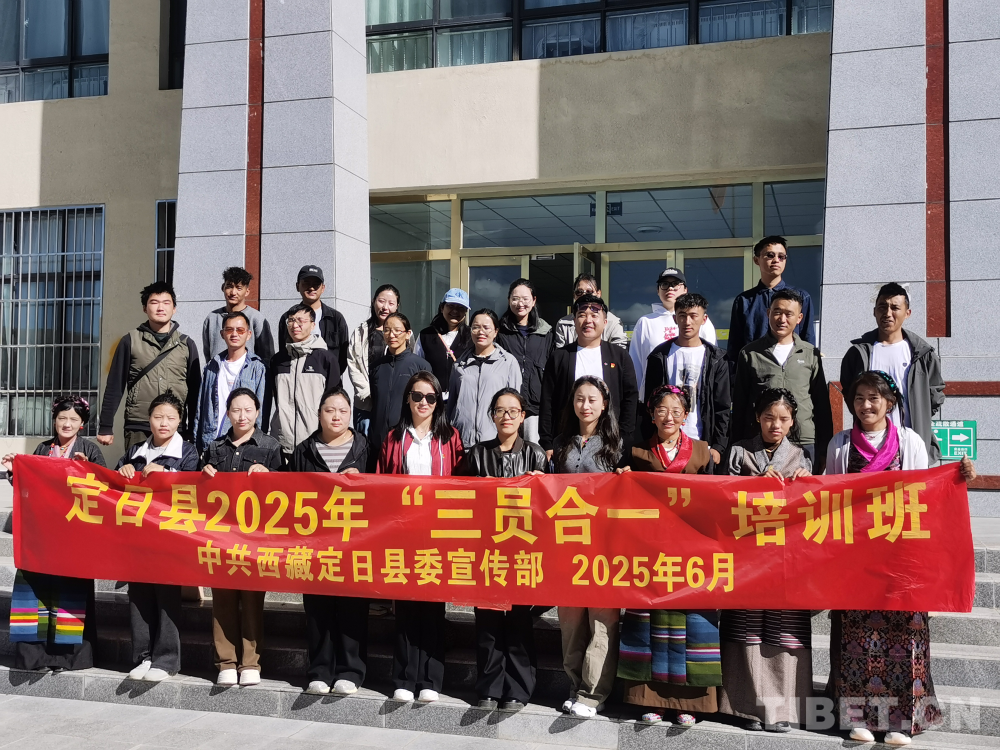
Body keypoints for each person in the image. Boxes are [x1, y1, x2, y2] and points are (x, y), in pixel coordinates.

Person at [826, 371, 976, 747]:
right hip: (856, 559)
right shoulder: (840, 444)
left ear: (889, 403)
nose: (865, 405)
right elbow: (828, 495)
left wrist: (957, 476)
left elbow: (926, 493)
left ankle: (901, 721)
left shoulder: (909, 441)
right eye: (859, 398)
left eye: (874, 398)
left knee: (903, 638)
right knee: (858, 639)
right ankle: (860, 718)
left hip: (901, 556)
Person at [621, 385, 719, 728]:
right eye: (661, 410)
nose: (669, 417)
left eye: (676, 411)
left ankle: (690, 703)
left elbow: (715, 500)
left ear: (686, 416)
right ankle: (651, 701)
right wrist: (623, 479)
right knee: (650, 625)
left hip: (692, 555)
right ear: (651, 414)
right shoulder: (636, 452)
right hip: (650, 552)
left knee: (693, 626)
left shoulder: (703, 452)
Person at [719, 389, 812, 733]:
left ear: (792, 422)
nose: (776, 425)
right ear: (758, 417)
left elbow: (811, 506)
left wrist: (807, 484)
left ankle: (782, 708)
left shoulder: (801, 457)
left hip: (785, 557)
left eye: (784, 419)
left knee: (782, 629)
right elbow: (721, 497)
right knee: (746, 626)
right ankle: (745, 707)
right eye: (769, 417)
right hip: (746, 554)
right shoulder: (739, 451)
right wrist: (753, 484)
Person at [377, 371, 464, 703]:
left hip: (439, 534)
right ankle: (404, 676)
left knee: (432, 609)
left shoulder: (450, 438)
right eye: (417, 396)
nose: (423, 402)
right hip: (403, 533)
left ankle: (430, 679)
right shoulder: (393, 437)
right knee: (406, 608)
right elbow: (382, 483)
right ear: (407, 399)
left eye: (430, 397)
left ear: (438, 401)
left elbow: (462, 483)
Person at [2, 395, 105, 672]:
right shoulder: (42, 448)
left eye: (73, 419)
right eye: (62, 418)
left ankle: (67, 658)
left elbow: (105, 492)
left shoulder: (90, 450)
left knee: (71, 596)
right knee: (36, 593)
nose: (67, 424)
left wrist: (89, 469)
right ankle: (35, 657)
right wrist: (14, 472)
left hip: (75, 538)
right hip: (42, 536)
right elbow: (29, 487)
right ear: (55, 420)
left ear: (82, 424)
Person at [461, 387, 546, 711]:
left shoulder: (536, 455)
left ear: (523, 417)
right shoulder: (477, 454)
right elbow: (458, 498)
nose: (506, 416)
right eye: (500, 410)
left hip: (523, 551)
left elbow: (551, 506)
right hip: (487, 550)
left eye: (513, 411)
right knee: (488, 622)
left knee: (519, 622)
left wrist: (540, 483)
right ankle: (489, 687)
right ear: (492, 416)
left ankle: (518, 689)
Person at [552, 376, 629, 718]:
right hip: (568, 543)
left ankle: (592, 695)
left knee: (602, 621)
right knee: (570, 622)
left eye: (592, 399)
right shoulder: (562, 444)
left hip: (604, 546)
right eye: (580, 399)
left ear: (604, 404)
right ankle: (574, 686)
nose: (585, 405)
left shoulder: (617, 444)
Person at [288, 387, 370, 697]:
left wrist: (362, 480)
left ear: (351, 415)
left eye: (343, 411)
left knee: (352, 608)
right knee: (317, 609)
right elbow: (290, 494)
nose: (336, 416)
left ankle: (350, 671)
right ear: (319, 414)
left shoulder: (366, 448)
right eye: (329, 410)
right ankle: (320, 670)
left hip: (354, 541)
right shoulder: (304, 451)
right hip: (315, 543)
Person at [199, 387, 282, 687]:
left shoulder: (270, 446)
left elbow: (286, 490)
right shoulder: (214, 447)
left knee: (252, 600)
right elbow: (197, 491)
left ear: (258, 412)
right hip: (221, 536)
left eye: (248, 410)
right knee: (222, 600)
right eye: (236, 410)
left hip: (255, 538)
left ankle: (250, 662)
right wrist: (204, 474)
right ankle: (226, 662)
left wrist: (270, 475)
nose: (242, 416)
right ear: (228, 413)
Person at [116, 391, 199, 683]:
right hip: (138, 536)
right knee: (139, 596)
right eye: (158, 417)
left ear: (179, 421)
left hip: (168, 536)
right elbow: (113, 487)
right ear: (148, 419)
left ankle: (166, 659)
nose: (164, 423)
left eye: (170, 418)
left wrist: (166, 473)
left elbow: (193, 486)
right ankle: (143, 656)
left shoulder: (188, 451)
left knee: (166, 597)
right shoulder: (135, 450)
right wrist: (123, 469)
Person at [840, 282, 945, 463]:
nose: (887, 313)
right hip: (870, 446)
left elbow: (935, 396)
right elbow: (850, 394)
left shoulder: (923, 354)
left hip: (911, 446)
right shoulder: (858, 353)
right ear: (875, 311)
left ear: (907, 313)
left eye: (895, 308)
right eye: (882, 307)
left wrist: (920, 414)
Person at [730, 288, 832, 471]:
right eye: (777, 312)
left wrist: (825, 447)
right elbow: (740, 404)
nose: (782, 319)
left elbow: (821, 405)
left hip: (803, 441)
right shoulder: (750, 353)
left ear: (799, 318)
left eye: (789, 314)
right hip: (760, 441)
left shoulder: (810, 354)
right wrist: (735, 443)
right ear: (768, 313)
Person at [97, 281, 201, 449]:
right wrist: (105, 426)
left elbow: (195, 391)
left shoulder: (187, 344)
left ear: (174, 308)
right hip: (139, 423)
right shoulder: (130, 341)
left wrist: (192, 429)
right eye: (154, 302)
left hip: (175, 424)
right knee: (136, 466)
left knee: (172, 467)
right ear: (145, 308)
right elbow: (115, 386)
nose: (160, 308)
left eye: (166, 303)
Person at [538, 295, 638, 465]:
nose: (588, 320)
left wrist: (625, 439)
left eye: (594, 315)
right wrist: (547, 442)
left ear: (605, 322)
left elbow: (630, 398)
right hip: (567, 442)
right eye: (582, 315)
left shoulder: (619, 356)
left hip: (610, 442)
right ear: (574, 321)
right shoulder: (559, 357)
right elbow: (547, 401)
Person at [641, 293, 730, 467]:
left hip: (702, 443)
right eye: (682, 315)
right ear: (675, 319)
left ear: (704, 319)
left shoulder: (717, 359)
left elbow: (722, 407)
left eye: (693, 316)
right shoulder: (659, 356)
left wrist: (719, 446)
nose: (687, 322)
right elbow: (650, 403)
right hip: (664, 443)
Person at [268, 303, 342, 461]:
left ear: (313, 325)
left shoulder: (326, 359)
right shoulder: (278, 360)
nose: (295, 325)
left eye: (301, 321)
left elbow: (334, 401)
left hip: (314, 443)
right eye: (291, 320)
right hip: (281, 442)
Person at [726, 236, 815, 363]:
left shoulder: (801, 297)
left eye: (781, 256)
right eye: (770, 255)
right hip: (754, 369)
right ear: (756, 260)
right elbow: (735, 346)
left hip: (790, 368)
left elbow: (808, 339)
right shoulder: (744, 300)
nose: (776, 260)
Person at [630, 268, 718, 396]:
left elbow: (712, 361)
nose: (670, 288)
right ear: (658, 290)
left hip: (696, 395)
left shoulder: (702, 321)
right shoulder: (645, 322)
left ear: (685, 289)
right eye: (665, 284)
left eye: (675, 284)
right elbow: (636, 365)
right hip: (657, 397)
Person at [447, 308, 522, 448]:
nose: (481, 332)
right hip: (462, 441)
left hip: (495, 442)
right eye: (476, 327)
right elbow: (452, 403)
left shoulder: (508, 362)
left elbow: (515, 405)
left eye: (486, 328)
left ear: (496, 332)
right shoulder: (459, 365)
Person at [194, 311, 267, 453]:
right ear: (222, 334)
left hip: (243, 446)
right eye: (229, 330)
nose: (234, 334)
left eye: (240, 330)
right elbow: (200, 409)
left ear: (249, 334)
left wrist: (257, 448)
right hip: (211, 442)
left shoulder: (258, 368)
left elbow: (261, 413)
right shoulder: (212, 366)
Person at [367, 312, 431, 471]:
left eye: (397, 330)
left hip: (407, 439)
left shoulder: (420, 366)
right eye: (387, 330)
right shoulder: (376, 366)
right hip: (377, 440)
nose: (391, 335)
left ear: (408, 334)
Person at [496, 279, 554, 444]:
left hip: (535, 409)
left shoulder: (546, 333)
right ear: (509, 300)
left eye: (525, 299)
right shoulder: (500, 332)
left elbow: (551, 372)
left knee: (532, 451)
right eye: (515, 299)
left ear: (533, 300)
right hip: (506, 407)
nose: (520, 303)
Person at [346, 284, 403, 436]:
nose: (385, 307)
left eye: (391, 303)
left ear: (397, 306)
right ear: (373, 301)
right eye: (381, 301)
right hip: (366, 404)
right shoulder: (361, 332)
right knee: (365, 444)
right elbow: (353, 364)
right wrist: (367, 392)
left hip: (393, 405)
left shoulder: (403, 333)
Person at [277, 265, 350, 378]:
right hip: (296, 380)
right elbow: (283, 351)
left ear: (323, 288)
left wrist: (332, 377)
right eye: (306, 283)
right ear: (297, 286)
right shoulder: (287, 318)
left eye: (316, 284)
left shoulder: (336, 318)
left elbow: (344, 355)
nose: (311, 288)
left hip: (328, 381)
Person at [201, 266, 275, 364]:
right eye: (229, 286)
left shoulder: (256, 318)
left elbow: (267, 355)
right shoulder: (212, 318)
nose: (233, 292)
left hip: (248, 372)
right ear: (223, 288)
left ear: (247, 291)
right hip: (218, 371)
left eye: (239, 288)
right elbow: (208, 353)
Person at [415, 288, 472, 398]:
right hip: (432, 399)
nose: (455, 311)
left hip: (462, 397)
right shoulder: (426, 335)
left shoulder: (471, 337)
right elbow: (417, 366)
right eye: (451, 306)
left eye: (461, 308)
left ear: (465, 311)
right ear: (442, 308)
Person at [553, 273, 627, 349]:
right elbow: (560, 353)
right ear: (574, 296)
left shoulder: (613, 323)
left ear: (598, 294)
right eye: (579, 292)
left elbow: (619, 353)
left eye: (589, 292)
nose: (584, 295)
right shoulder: (563, 324)